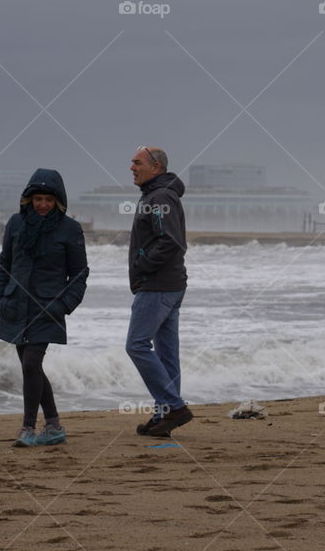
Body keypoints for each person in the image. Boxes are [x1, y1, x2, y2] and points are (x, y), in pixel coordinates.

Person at [0, 168, 88, 447]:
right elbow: (4, 263)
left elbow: (79, 274)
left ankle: (27, 428)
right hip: (15, 306)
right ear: (29, 199)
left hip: (48, 309)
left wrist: (63, 306)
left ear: (58, 201)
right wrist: (0, 296)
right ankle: (54, 425)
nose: (43, 204)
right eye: (38, 199)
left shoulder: (70, 229)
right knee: (30, 366)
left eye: (48, 199)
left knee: (32, 363)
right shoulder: (15, 224)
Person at [125, 146, 193, 437]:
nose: (131, 167)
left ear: (156, 167)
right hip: (169, 285)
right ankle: (165, 413)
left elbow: (171, 241)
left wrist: (143, 264)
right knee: (166, 354)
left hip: (158, 285)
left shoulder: (161, 196)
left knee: (136, 345)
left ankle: (173, 406)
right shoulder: (155, 195)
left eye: (137, 162)